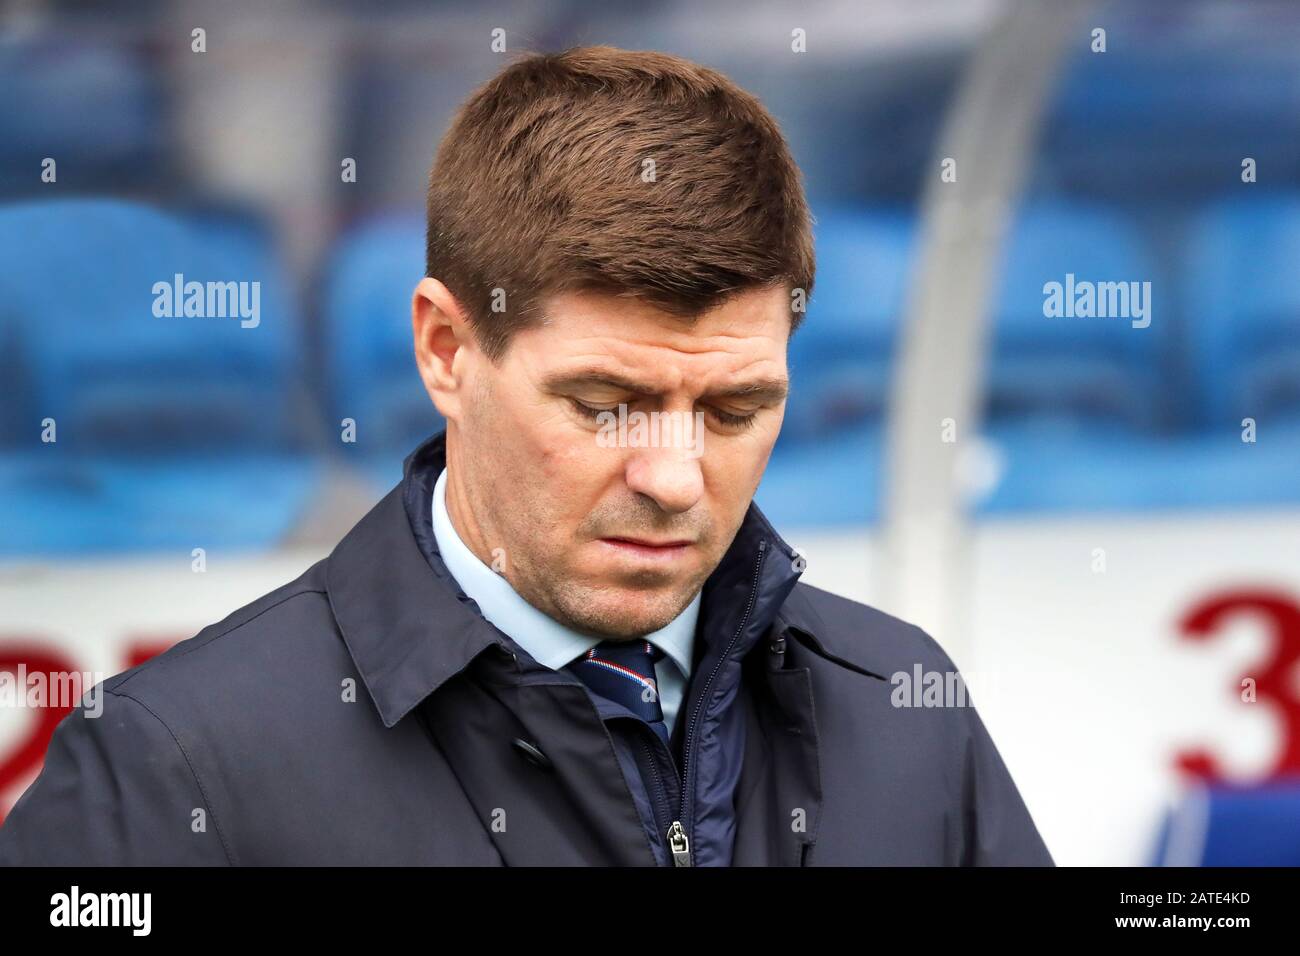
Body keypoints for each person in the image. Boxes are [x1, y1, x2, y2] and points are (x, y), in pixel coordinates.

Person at [0, 45, 1052, 866]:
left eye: (735, 408)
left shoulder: (903, 702)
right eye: (604, 405)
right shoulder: (171, 765)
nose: (675, 477)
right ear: (445, 349)